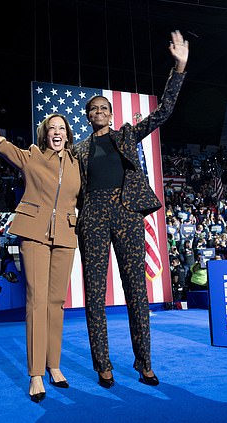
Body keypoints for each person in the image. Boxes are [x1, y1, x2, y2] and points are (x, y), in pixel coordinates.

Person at [72, 30, 189, 388]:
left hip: (126, 214)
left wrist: (179, 66)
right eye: (93, 109)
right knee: (94, 294)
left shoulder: (126, 135)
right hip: (92, 216)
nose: (100, 112)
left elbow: (164, 112)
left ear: (111, 113)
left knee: (137, 291)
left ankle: (145, 363)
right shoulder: (77, 150)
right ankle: (103, 365)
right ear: (87, 116)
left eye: (104, 108)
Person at [0, 68, 80, 403]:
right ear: (45, 133)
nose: (57, 133)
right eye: (52, 129)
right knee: (36, 302)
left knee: (56, 303)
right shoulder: (32, 156)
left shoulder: (79, 163)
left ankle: (55, 365)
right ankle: (36, 374)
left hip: (65, 234)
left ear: (69, 133)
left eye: (62, 128)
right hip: (33, 233)